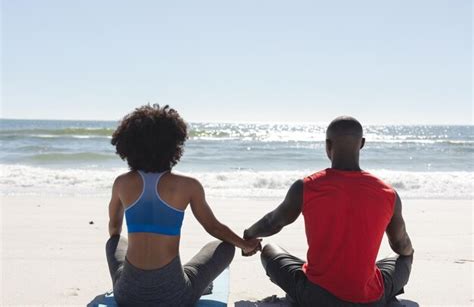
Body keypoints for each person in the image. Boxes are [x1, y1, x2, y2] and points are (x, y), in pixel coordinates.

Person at [243, 116, 414, 306]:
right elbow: (400, 244)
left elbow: (273, 222)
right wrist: (409, 251)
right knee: (403, 256)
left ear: (327, 145)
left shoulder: (306, 186)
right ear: (362, 144)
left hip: (316, 297)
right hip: (371, 300)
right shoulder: (388, 193)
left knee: (269, 251)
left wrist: (248, 234)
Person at [106, 104, 261, 306]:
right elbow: (214, 227)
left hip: (127, 296)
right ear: (174, 145)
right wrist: (245, 244)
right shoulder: (188, 186)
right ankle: (198, 284)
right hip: (175, 298)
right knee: (224, 246)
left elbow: (113, 230)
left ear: (128, 144)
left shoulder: (122, 183)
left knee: (114, 243)